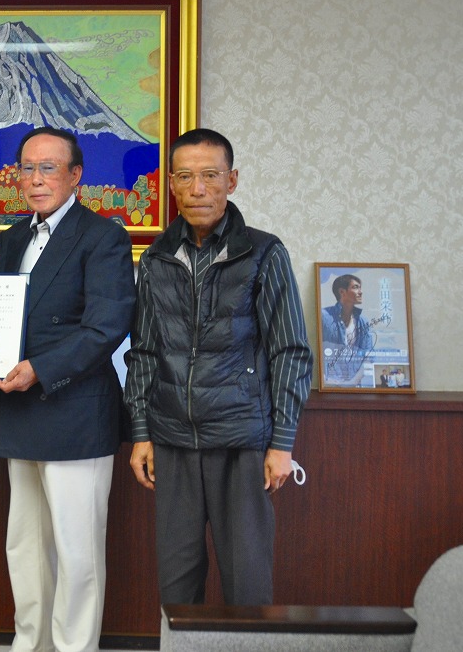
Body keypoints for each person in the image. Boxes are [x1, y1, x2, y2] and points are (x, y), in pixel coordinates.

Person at [124, 128, 312, 607]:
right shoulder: (156, 258)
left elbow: (290, 350)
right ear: (171, 184)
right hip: (173, 441)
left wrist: (282, 444)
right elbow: (143, 351)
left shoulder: (263, 253)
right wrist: (142, 433)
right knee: (177, 584)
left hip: (241, 440)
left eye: (210, 175)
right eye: (185, 177)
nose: (198, 188)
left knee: (247, 584)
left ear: (232, 180)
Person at [0, 127, 134, 652]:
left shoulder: (104, 235)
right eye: (27, 168)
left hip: (76, 413)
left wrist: (38, 369)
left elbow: (105, 326)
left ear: (75, 175)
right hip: (19, 412)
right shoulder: (13, 238)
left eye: (48, 167)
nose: (35, 178)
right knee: (24, 546)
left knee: (77, 551)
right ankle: (31, 645)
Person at [321, 274, 374, 386]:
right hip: (328, 385)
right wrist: (324, 380)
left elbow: (368, 356)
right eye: (355, 287)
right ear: (342, 291)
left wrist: (353, 382)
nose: (360, 291)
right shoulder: (324, 316)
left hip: (354, 386)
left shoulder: (362, 321)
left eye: (360, 287)